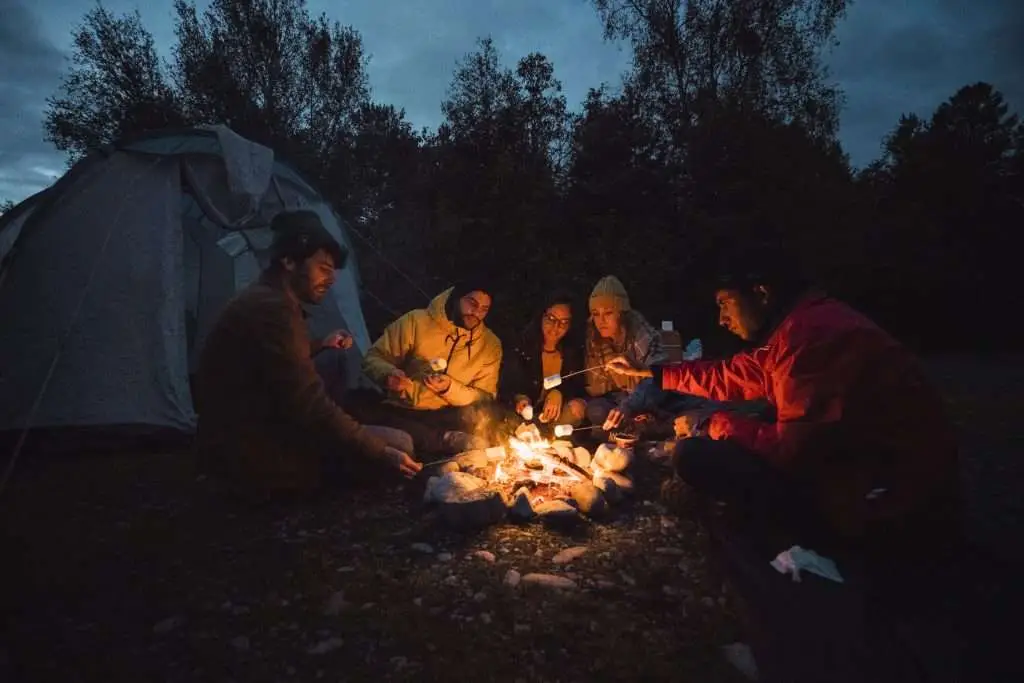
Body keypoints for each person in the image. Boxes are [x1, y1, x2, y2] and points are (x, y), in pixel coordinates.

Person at [606, 250, 963, 681]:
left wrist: (718, 423)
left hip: (891, 504)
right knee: (712, 450)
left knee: (698, 456)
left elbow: (793, 451)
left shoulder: (816, 338)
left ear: (759, 293)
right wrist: (657, 377)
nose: (721, 319)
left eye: (724, 303)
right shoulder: (801, 329)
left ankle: (791, 605)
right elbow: (734, 375)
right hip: (862, 476)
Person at [194, 210, 421, 502]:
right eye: (323, 268)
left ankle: (331, 445)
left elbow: (273, 361)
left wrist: (320, 344)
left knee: (335, 361)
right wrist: (380, 452)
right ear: (289, 261)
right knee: (401, 445)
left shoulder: (267, 297)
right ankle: (295, 476)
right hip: (251, 451)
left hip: (246, 429)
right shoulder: (274, 309)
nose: (329, 280)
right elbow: (309, 404)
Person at [357, 280, 503, 455]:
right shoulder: (417, 322)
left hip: (450, 414)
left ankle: (449, 444)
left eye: (484, 309)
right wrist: (388, 374)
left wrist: (450, 388)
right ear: (457, 298)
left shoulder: (489, 344)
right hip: (405, 409)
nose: (477, 313)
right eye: (472, 303)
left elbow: (485, 396)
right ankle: (443, 441)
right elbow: (373, 358)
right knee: (394, 427)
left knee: (489, 418)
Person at [583, 275, 669, 428]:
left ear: (621, 313)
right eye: (596, 314)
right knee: (595, 410)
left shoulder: (642, 336)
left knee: (650, 414)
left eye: (608, 313)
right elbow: (598, 388)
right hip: (619, 400)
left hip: (646, 398)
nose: (601, 320)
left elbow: (658, 380)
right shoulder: (595, 340)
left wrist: (630, 404)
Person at [499, 290, 587, 429]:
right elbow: (506, 386)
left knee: (574, 410)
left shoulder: (572, 352)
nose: (556, 327)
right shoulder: (521, 346)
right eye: (551, 319)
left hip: (552, 418)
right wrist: (519, 398)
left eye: (563, 322)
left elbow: (577, 385)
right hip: (521, 415)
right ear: (541, 317)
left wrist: (560, 392)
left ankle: (548, 438)